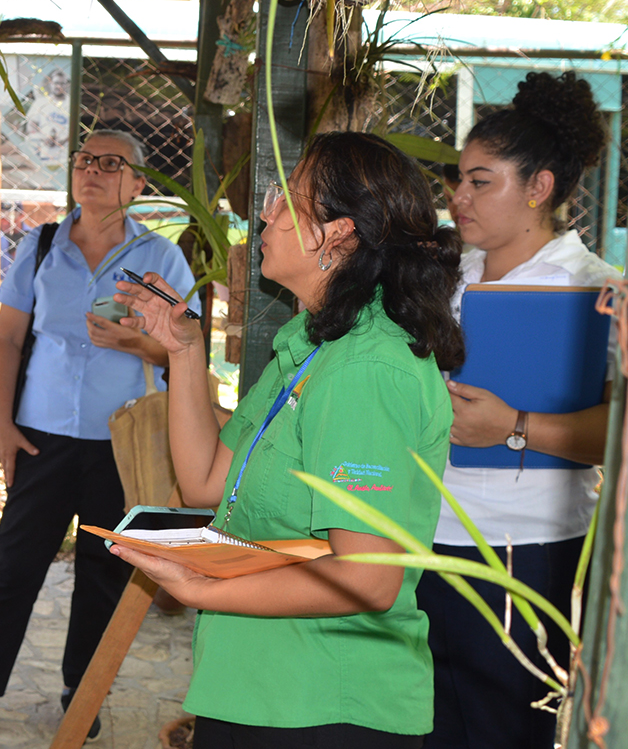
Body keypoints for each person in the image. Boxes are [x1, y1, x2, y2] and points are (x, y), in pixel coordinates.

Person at [112, 132, 465, 749]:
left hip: (323, 705)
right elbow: (206, 482)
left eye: (285, 198)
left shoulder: (365, 368)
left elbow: (369, 578)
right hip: (257, 686)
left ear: (338, 234)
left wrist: (206, 587)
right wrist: (183, 352)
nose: (265, 214)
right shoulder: (312, 344)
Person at [0, 130, 198, 741]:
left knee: (102, 573)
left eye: (110, 163)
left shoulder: (159, 257)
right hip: (40, 438)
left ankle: (82, 693)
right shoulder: (41, 244)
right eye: (84, 160)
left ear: (138, 184)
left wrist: (134, 341)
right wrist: (3, 427)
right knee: (13, 568)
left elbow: (184, 346)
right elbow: (7, 339)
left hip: (120, 445)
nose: (92, 170)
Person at [419, 71, 615, 749]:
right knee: (427, 725)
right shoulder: (446, 277)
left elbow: (625, 433)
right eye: (459, 179)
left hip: (526, 550)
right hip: (424, 534)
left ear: (539, 187)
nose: (459, 197)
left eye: (481, 181)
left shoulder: (595, 290)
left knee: (505, 728)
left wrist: (514, 427)